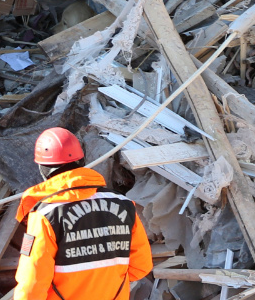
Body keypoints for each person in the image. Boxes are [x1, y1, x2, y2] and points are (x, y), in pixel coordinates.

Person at [13, 127, 152, 300]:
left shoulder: (45, 215)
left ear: (43, 169)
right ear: (82, 160)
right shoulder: (124, 204)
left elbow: (31, 285)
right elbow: (141, 266)